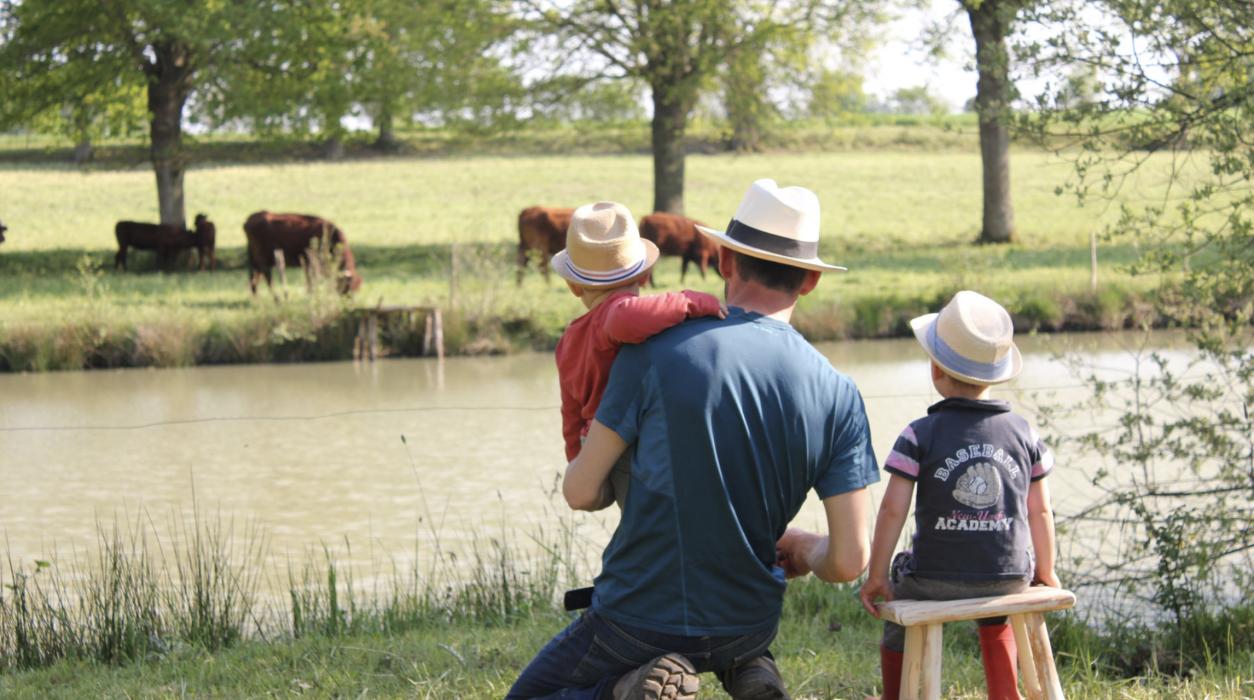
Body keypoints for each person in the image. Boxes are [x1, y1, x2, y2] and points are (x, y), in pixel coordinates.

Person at [508, 179, 879, 700]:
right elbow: (848, 561)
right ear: (811, 280)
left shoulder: (651, 354)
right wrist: (802, 545)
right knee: (736, 640)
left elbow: (581, 491)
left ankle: (622, 691)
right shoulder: (839, 393)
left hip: (638, 619)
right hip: (748, 622)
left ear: (725, 260)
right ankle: (748, 666)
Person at [857, 290, 1061, 700]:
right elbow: (1040, 511)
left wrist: (878, 575)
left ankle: (896, 694)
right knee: (996, 600)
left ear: (936, 369)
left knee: (899, 607)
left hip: (932, 580)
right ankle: (1004, 691)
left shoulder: (919, 434)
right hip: (1009, 580)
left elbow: (892, 509)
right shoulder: (1025, 434)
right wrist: (1046, 570)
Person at [552, 201, 723, 509]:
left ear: (573, 286)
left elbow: (571, 411)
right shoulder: (613, 317)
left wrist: (577, 462)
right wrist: (692, 302)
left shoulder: (568, 341)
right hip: (627, 446)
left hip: (595, 452)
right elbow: (627, 316)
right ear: (644, 277)